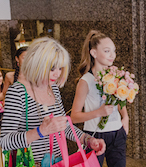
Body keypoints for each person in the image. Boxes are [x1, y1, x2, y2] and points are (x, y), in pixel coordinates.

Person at [0, 37, 106, 166]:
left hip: (59, 162)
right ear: (37, 64)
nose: (57, 74)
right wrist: (41, 131)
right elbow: (4, 141)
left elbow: (64, 126)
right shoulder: (17, 91)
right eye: (52, 69)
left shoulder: (53, 88)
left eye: (60, 68)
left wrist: (88, 140)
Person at [71, 30, 129, 167]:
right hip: (94, 136)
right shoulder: (85, 81)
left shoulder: (116, 76)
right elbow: (74, 116)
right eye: (107, 51)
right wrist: (99, 112)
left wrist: (125, 118)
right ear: (94, 53)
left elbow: (120, 100)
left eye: (113, 51)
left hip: (117, 134)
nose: (112, 55)